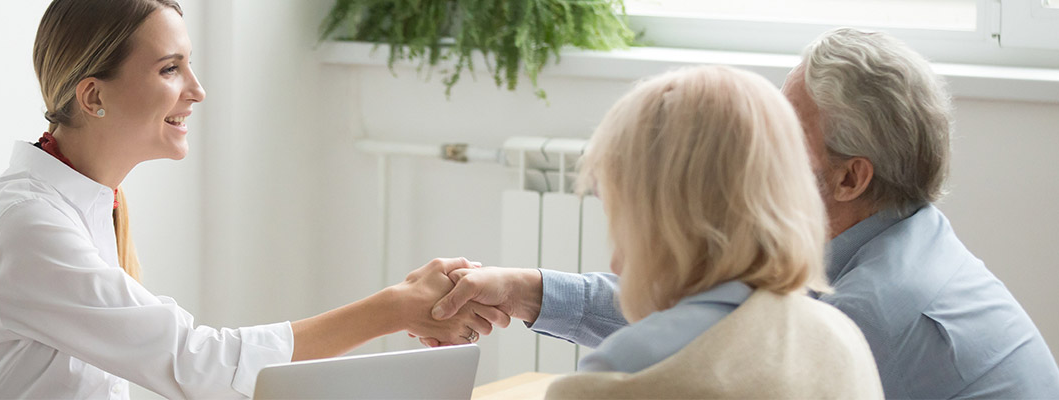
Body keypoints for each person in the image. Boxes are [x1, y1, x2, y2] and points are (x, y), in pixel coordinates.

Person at [0, 1, 505, 398]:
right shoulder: (27, 226)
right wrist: (394, 308)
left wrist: (399, 307)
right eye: (171, 69)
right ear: (93, 97)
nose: (197, 91)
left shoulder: (93, 202)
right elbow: (199, 364)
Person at [429, 28, 1059, 398]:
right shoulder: (909, 245)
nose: (764, 143)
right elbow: (708, 321)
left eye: (787, 127)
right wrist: (529, 292)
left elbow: (705, 349)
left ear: (849, 176)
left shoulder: (860, 311)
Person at [531, 65, 880, 397]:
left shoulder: (623, 371)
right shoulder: (842, 339)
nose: (617, 260)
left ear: (658, 221)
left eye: (619, 219)